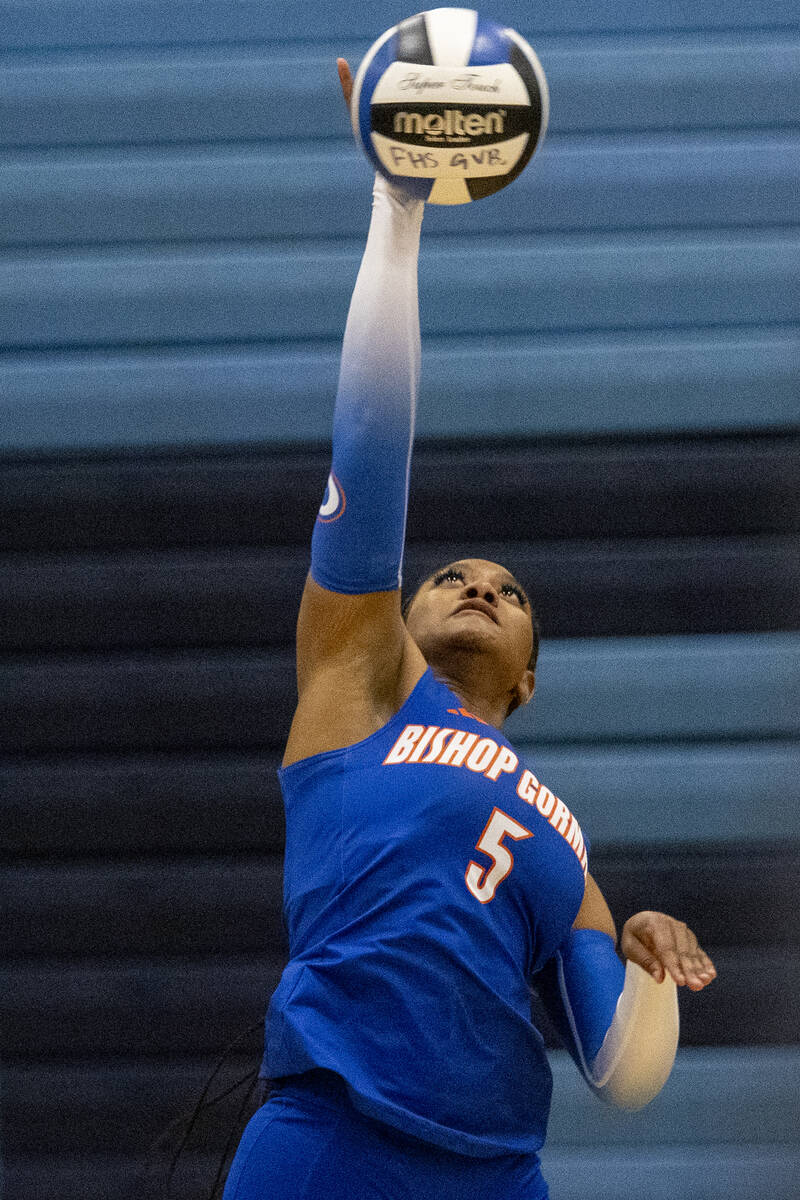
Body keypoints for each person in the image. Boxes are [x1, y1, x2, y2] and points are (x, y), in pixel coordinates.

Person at [220, 59, 716, 1200]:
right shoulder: (360, 678)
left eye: (508, 588)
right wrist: (396, 213)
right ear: (400, 610)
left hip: (494, 1174)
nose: (478, 585)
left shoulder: (563, 844)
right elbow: (371, 451)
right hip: (327, 1143)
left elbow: (620, 1073)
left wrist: (641, 954)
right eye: (448, 574)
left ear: (530, 680)